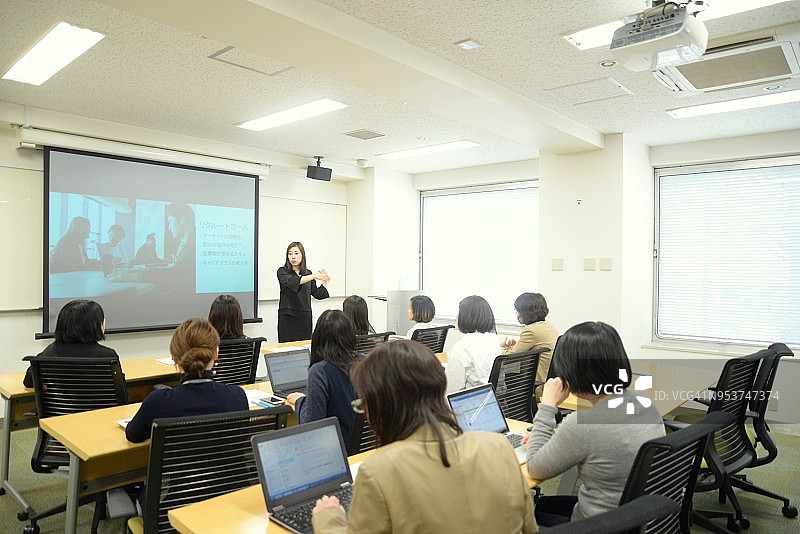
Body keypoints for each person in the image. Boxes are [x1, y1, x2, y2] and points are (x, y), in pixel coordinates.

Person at [311, 340, 537, 534]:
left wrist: (327, 517)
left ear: (381, 407)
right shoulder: (498, 446)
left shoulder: (379, 471)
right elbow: (529, 528)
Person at [523, 321, 665, 526]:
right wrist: (549, 436)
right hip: (637, 518)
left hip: (596, 525)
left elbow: (535, 468)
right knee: (544, 506)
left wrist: (547, 404)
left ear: (572, 372)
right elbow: (601, 441)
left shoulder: (582, 425)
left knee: (520, 515)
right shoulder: (644, 404)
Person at [125, 318, 248, 443]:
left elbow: (133, 435)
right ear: (216, 353)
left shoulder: (158, 402)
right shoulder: (237, 396)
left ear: (174, 358)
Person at [286, 310, 359, 440]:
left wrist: (300, 401)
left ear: (317, 338)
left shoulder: (320, 372)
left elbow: (311, 426)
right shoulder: (368, 362)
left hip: (336, 448)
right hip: (368, 446)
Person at [23, 300, 118, 388]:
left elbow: (28, 382)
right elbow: (121, 391)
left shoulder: (50, 352)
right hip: (98, 402)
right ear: (95, 325)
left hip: (59, 401)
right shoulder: (107, 356)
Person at [501, 292, 559, 399]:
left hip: (538, 386)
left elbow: (509, 358)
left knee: (501, 384)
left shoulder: (531, 330)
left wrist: (500, 348)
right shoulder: (548, 326)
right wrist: (517, 346)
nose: (517, 314)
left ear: (525, 313)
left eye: (518, 311)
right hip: (551, 385)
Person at [444, 295, 500, 395]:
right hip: (492, 400)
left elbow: (449, 392)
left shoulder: (461, 348)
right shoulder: (494, 340)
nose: (456, 316)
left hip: (470, 402)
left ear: (466, 317)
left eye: (459, 313)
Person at [276, 242, 330, 342]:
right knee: (286, 348)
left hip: (305, 317)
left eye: (296, 253)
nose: (293, 257)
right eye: (290, 254)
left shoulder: (308, 273)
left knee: (305, 346)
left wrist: (324, 280)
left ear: (302, 255)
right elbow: (293, 282)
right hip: (288, 316)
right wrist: (314, 276)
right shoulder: (282, 271)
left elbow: (317, 294)